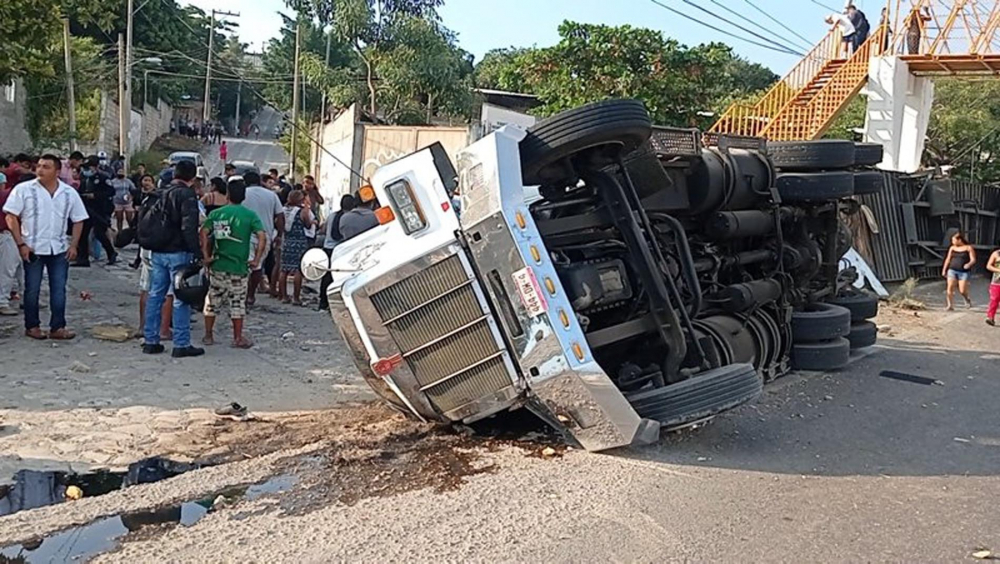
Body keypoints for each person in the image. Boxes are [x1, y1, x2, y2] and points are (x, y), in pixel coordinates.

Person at [2, 155, 88, 340]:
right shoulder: (24, 190)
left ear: (57, 171)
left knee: (59, 289)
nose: (40, 170)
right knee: (31, 288)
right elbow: (11, 216)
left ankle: (57, 327)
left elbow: (79, 219)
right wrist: (21, 243)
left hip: (58, 247)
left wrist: (74, 245)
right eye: (39, 166)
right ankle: (32, 325)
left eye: (46, 167)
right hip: (32, 247)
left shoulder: (68, 193)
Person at [138, 159, 204, 358]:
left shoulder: (161, 193)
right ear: (192, 178)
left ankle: (151, 340)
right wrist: (197, 253)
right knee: (180, 297)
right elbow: (188, 227)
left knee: (156, 294)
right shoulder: (186, 195)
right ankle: (181, 344)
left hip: (158, 251)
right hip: (178, 252)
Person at [200, 179, 267, 348]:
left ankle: (208, 335)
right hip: (239, 267)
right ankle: (237, 337)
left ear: (228, 195)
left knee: (212, 301)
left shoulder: (217, 214)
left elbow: (203, 232)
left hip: (218, 265)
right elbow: (262, 236)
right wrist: (257, 259)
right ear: (244, 197)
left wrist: (206, 255)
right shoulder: (250, 215)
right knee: (237, 303)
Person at [241, 171, 284, 306]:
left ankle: (242, 293)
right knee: (257, 266)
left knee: (243, 266)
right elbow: (280, 216)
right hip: (265, 236)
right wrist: (279, 235)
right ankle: (251, 295)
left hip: (244, 234)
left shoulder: (242, 194)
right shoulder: (271, 195)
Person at [76, 156, 118, 266]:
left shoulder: (104, 178)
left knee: (100, 233)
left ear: (95, 167)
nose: (86, 170)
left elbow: (111, 192)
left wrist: (95, 195)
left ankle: (111, 253)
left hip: (100, 210)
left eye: (88, 167)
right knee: (83, 234)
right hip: (86, 209)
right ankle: (83, 259)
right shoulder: (84, 178)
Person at [318, 194, 354, 311]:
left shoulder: (332, 216)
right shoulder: (349, 217)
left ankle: (323, 302)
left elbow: (323, 230)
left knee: (326, 276)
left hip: (328, 248)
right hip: (341, 250)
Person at [279, 190, 314, 305]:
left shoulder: (283, 210)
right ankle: (296, 297)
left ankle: (284, 296)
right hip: (299, 242)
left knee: (284, 269)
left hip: (287, 241)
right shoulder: (302, 211)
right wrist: (313, 222)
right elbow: (307, 225)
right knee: (298, 270)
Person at [0, 172, 21, 316]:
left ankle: (29, 297)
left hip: (11, 235)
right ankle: (2, 301)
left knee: (20, 268)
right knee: (8, 269)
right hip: (7, 235)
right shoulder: (7, 196)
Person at [942, 232, 976, 311]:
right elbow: (948, 259)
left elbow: (973, 259)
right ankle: (950, 305)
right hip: (952, 270)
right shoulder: (952, 248)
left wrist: (969, 264)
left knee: (962, 290)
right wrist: (944, 269)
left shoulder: (968, 248)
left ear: (959, 240)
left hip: (963, 272)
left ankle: (967, 299)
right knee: (949, 287)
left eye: (953, 240)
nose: (952, 242)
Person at [111, 168, 137, 232]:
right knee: (119, 219)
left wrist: (131, 196)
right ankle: (120, 232)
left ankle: (131, 231)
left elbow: (134, 189)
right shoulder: (113, 181)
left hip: (127, 202)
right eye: (119, 171)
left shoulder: (128, 181)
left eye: (122, 172)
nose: (120, 173)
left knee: (129, 219)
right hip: (117, 202)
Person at [986, 248, 1000, 326]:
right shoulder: (996, 253)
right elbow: (988, 266)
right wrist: (998, 270)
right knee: (994, 299)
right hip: (997, 281)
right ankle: (990, 317)